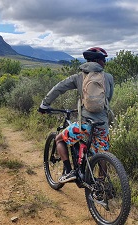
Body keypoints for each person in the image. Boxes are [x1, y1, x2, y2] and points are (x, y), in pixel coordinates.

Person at [38, 47, 114, 183]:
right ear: (97, 61)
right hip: (102, 125)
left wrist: (45, 104)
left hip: (85, 124)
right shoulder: (108, 78)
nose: (105, 63)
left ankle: (69, 171)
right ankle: (102, 183)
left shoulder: (78, 77)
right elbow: (108, 98)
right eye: (104, 60)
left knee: (59, 139)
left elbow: (59, 88)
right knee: (102, 154)